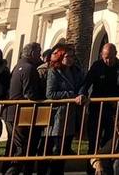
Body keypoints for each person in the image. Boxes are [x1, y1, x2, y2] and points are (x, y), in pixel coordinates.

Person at [83, 44, 119, 153]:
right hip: (97, 108)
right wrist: (82, 94)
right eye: (106, 57)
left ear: (116, 54)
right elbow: (87, 83)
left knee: (110, 139)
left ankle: (106, 166)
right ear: (101, 55)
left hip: (115, 109)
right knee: (93, 139)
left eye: (111, 57)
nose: (108, 61)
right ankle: (91, 166)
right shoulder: (97, 66)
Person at [6, 42, 46, 175]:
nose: (40, 55)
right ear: (33, 53)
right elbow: (30, 94)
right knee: (23, 149)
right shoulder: (29, 68)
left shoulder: (18, 66)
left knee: (16, 147)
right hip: (22, 114)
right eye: (38, 52)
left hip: (13, 113)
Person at [45, 45, 85, 174]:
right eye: (68, 56)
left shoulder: (76, 71)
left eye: (73, 56)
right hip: (58, 117)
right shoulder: (54, 71)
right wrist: (71, 95)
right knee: (56, 150)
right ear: (61, 56)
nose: (71, 59)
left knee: (64, 150)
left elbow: (82, 85)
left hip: (71, 116)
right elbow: (50, 94)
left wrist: (81, 94)